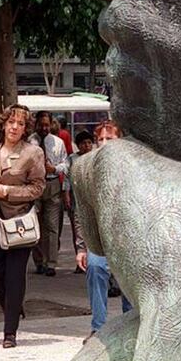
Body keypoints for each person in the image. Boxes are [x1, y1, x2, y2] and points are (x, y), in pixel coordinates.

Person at [0, 104, 45, 348]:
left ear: (26, 128)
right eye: (11, 122)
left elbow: (37, 188)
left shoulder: (32, 153)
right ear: (3, 123)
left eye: (21, 124)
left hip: (19, 221)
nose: (15, 127)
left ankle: (9, 332)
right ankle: (13, 307)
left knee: (15, 276)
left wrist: (6, 191)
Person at [74, 121, 134, 340]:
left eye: (110, 138)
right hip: (99, 239)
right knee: (96, 268)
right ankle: (98, 327)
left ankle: (131, 325)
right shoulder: (87, 169)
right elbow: (81, 212)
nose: (105, 143)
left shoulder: (132, 168)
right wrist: (82, 247)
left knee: (128, 281)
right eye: (101, 139)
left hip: (126, 238)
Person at [31, 111, 68, 277]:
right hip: (34, 186)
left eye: (47, 125)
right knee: (36, 225)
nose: (44, 128)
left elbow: (66, 164)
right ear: (36, 124)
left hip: (53, 185)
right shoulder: (29, 142)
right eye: (41, 125)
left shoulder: (58, 143)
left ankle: (51, 263)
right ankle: (39, 261)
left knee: (52, 226)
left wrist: (54, 169)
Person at [66, 130, 94, 272]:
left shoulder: (96, 157)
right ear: (78, 145)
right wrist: (66, 195)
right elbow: (67, 178)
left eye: (89, 143)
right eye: (83, 143)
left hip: (93, 202)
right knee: (79, 232)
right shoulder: (72, 159)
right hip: (78, 201)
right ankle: (81, 261)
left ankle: (92, 260)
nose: (87, 146)